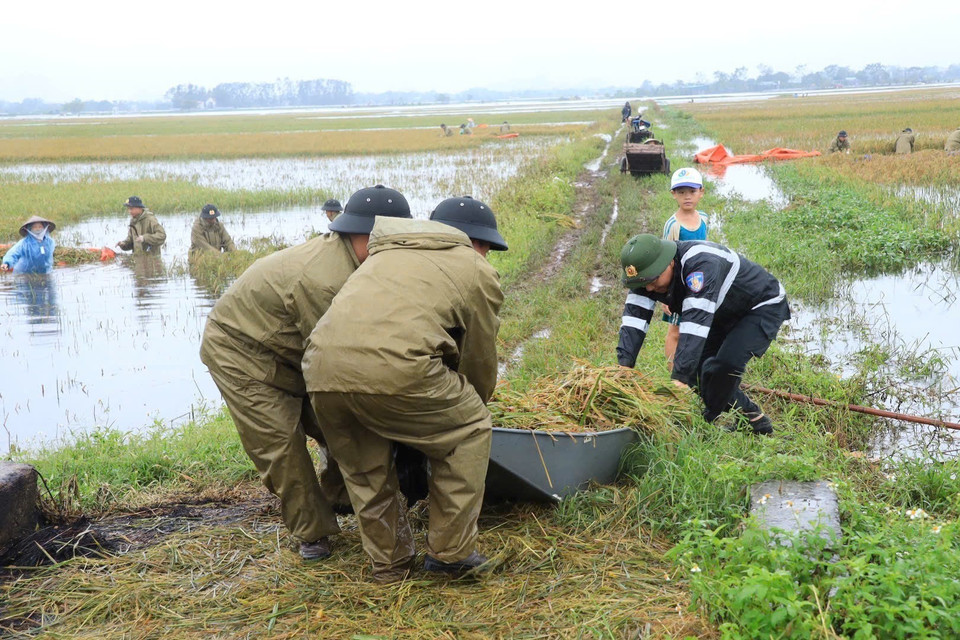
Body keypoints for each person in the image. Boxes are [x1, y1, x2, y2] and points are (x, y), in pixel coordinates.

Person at [199, 185, 413, 562]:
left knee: (342, 425)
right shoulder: (324, 280)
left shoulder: (363, 263)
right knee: (282, 446)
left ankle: (339, 496)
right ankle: (312, 531)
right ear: (359, 234)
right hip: (241, 352)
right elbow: (340, 365)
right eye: (385, 240)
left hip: (293, 347)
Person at [302, 196, 506, 582]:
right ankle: (450, 555)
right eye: (488, 249)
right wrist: (467, 405)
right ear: (477, 243)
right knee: (469, 428)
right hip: (396, 368)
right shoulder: (474, 268)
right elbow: (478, 358)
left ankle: (389, 564)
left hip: (321, 369)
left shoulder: (384, 256)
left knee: (364, 468)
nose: (487, 256)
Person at [617, 234, 790, 435]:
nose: (649, 288)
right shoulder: (646, 276)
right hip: (719, 312)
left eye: (653, 280)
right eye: (643, 283)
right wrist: (623, 368)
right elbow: (634, 320)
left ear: (669, 263)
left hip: (759, 306)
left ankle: (711, 419)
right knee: (698, 372)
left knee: (725, 366)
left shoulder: (701, 264)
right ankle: (752, 417)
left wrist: (679, 378)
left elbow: (694, 323)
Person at [661, 169, 710, 370]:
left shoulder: (705, 219)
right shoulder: (673, 225)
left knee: (699, 325)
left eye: (691, 191)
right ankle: (674, 373)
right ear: (673, 194)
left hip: (700, 282)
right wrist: (667, 296)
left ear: (701, 192)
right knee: (676, 330)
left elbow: (708, 250)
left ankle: (695, 367)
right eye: (681, 192)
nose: (687, 196)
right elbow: (666, 260)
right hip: (679, 284)